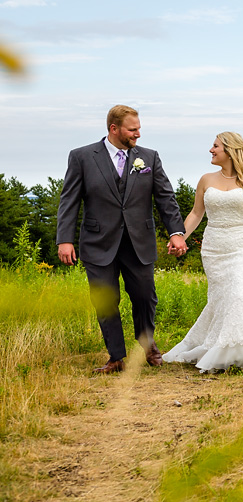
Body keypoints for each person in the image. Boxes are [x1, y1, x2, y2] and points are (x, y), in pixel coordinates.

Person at [57, 105, 188, 374]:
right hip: (97, 241)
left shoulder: (149, 158)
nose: (138, 134)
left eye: (139, 128)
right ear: (114, 129)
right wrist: (64, 239)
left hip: (138, 241)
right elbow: (69, 200)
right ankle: (116, 357)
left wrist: (176, 232)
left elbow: (165, 197)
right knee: (105, 300)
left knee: (144, 296)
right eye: (133, 129)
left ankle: (147, 343)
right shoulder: (82, 156)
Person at [162, 132, 243, 372]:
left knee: (240, 293)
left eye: (215, 146)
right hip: (214, 248)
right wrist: (179, 237)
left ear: (230, 150)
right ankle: (231, 351)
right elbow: (196, 214)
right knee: (222, 299)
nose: (210, 150)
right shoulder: (205, 179)